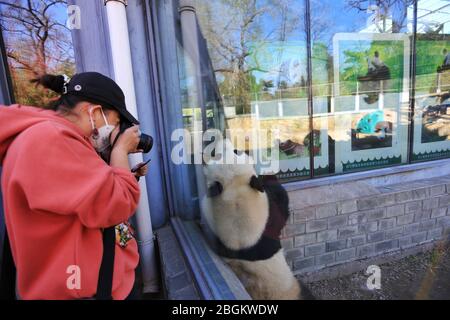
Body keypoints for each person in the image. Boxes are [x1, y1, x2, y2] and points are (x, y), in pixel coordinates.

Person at [0, 72, 148, 299]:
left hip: (100, 285)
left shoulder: (52, 136)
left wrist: (124, 172)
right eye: (116, 122)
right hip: (85, 292)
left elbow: (82, 199)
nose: (114, 131)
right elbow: (117, 205)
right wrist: (119, 151)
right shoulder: (52, 139)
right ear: (95, 112)